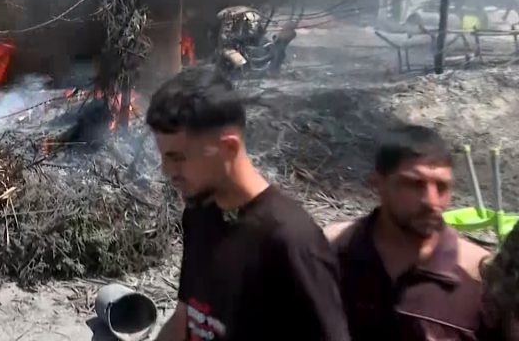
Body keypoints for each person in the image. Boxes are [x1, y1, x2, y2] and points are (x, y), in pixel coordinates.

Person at [147, 68, 350, 341]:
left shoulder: (290, 239)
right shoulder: (200, 215)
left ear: (228, 148)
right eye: (164, 157)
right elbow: (187, 317)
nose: (167, 170)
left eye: (178, 157)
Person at [325, 125, 492, 341]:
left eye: (441, 187)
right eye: (414, 184)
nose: (431, 202)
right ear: (378, 183)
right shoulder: (331, 252)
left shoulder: (478, 276)